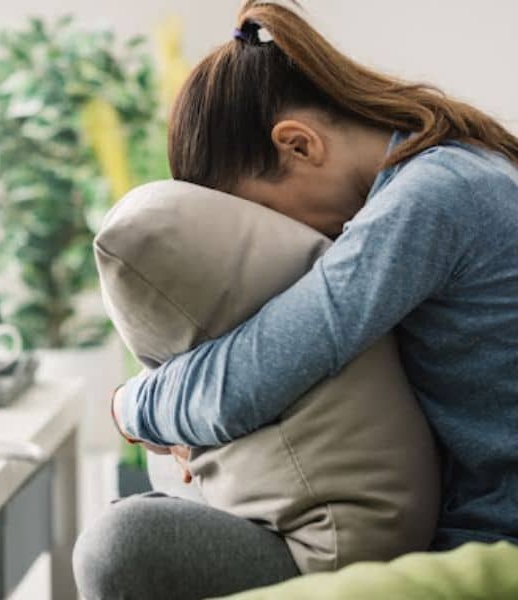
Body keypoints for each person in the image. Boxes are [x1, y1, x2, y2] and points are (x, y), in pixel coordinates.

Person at [72, 2, 518, 599]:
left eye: (265, 212)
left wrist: (129, 407)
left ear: (299, 146)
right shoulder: (465, 170)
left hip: (492, 542)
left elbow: (253, 374)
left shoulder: (433, 197)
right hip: (468, 524)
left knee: (125, 544)